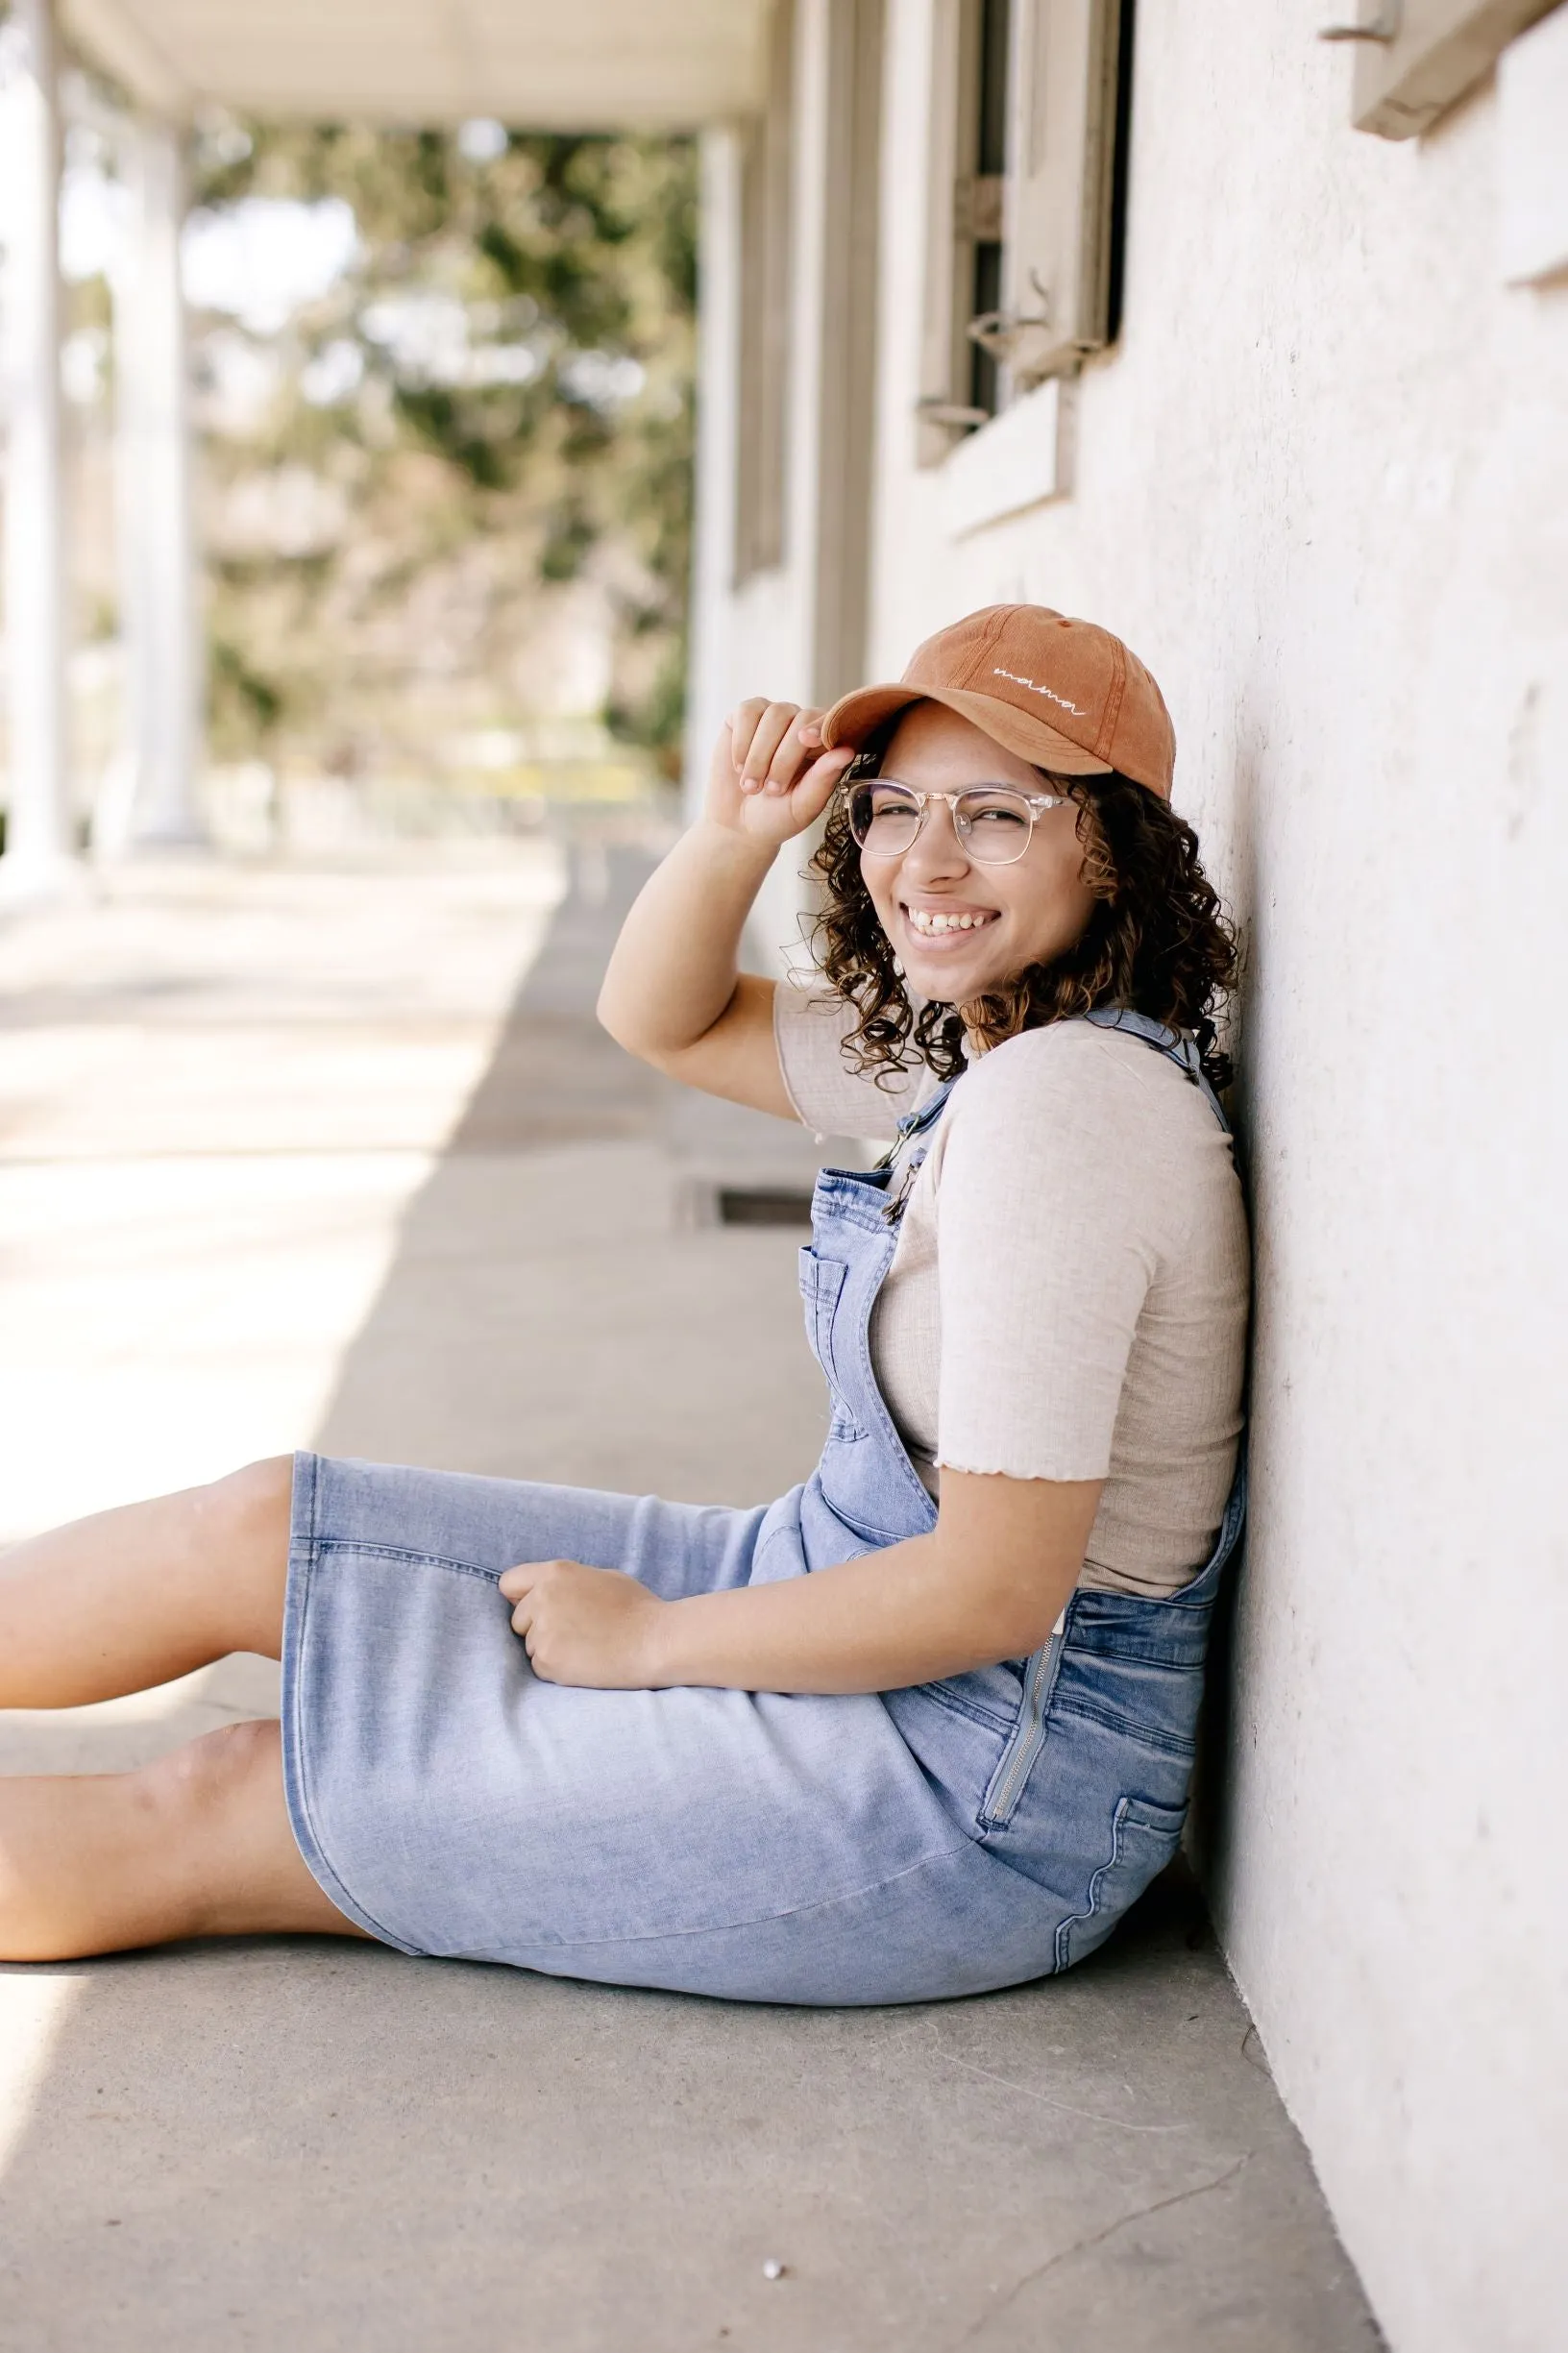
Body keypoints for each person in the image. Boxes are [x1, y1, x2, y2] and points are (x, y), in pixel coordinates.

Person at [0, 604, 1248, 2004]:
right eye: (896, 808)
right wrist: (733, 835)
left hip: (970, 1783)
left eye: (998, 815)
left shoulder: (1066, 1110)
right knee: (254, 1526)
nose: (928, 861)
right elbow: (667, 1018)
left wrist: (649, 1644)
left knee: (233, 1793)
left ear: (1113, 847)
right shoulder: (981, 1041)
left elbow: (995, 1592)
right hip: (824, 1583)